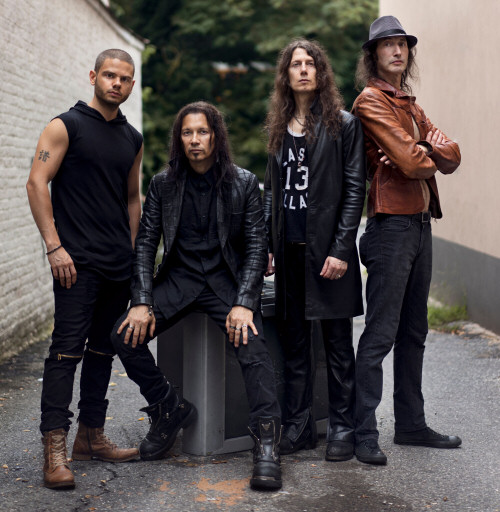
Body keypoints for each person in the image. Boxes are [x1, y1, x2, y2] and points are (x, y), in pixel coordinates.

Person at [110, 101, 282, 490]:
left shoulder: (243, 182)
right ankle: (168, 407)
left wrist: (244, 303)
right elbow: (145, 244)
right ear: (179, 139)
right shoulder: (162, 184)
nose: (194, 140)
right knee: (123, 335)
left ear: (216, 136)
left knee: (253, 349)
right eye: (187, 132)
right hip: (179, 280)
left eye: (202, 131)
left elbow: (256, 247)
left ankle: (267, 445)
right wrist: (141, 300)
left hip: (225, 282)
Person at [26, 49, 143, 489]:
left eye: (124, 78)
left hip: (117, 264)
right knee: (65, 352)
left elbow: (132, 198)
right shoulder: (66, 126)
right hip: (75, 264)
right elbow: (36, 183)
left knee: (102, 352)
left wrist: (132, 254)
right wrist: (54, 247)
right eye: (109, 75)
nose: (116, 83)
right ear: (94, 76)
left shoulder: (132, 138)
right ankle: (54, 448)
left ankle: (91, 436)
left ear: (131, 85)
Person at [352, 16, 462, 465]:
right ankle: (363, 431)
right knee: (380, 334)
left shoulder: (410, 105)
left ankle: (412, 424)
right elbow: (413, 163)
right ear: (373, 54)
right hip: (390, 227)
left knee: (415, 332)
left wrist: (424, 148)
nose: (397, 51)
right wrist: (421, 151)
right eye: (388, 45)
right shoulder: (371, 101)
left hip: (419, 224)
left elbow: (451, 156)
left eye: (403, 44)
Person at [264, 39, 366, 462]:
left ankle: (343, 426)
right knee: (295, 345)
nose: (303, 69)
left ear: (321, 73)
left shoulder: (344, 124)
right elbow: (272, 191)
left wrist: (341, 249)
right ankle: (299, 425)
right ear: (286, 75)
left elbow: (355, 190)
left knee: (338, 345)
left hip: (328, 252)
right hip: (289, 250)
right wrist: (268, 244)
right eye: (296, 64)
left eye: (310, 63)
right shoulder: (278, 128)